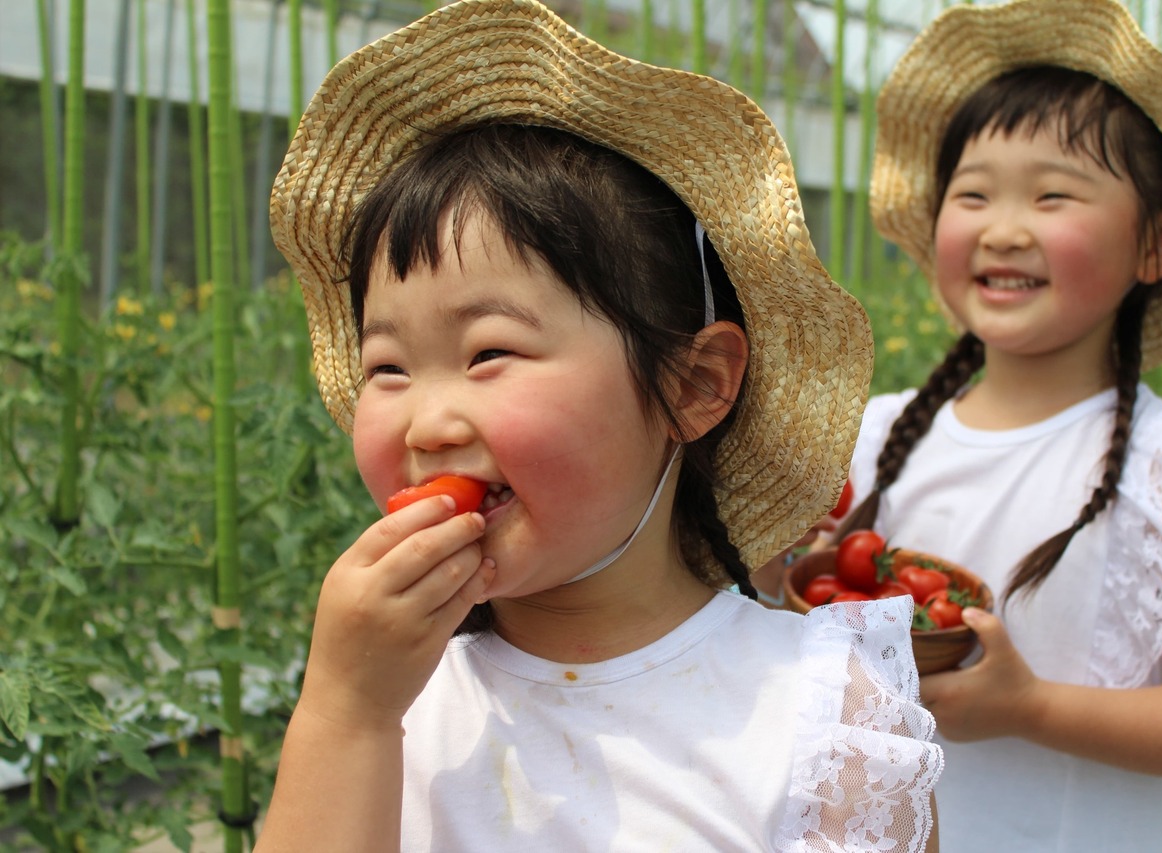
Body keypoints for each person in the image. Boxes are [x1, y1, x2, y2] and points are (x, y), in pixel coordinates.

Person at [258, 1, 942, 850]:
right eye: (387, 367)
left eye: (489, 351)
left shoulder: (824, 721)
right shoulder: (386, 694)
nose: (426, 424)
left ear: (693, 385)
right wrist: (346, 712)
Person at [784, 0, 1162, 850]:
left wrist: (1031, 708)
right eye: (973, 194)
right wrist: (779, 564)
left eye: (1054, 195)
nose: (1004, 228)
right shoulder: (873, 436)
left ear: (1161, 241)